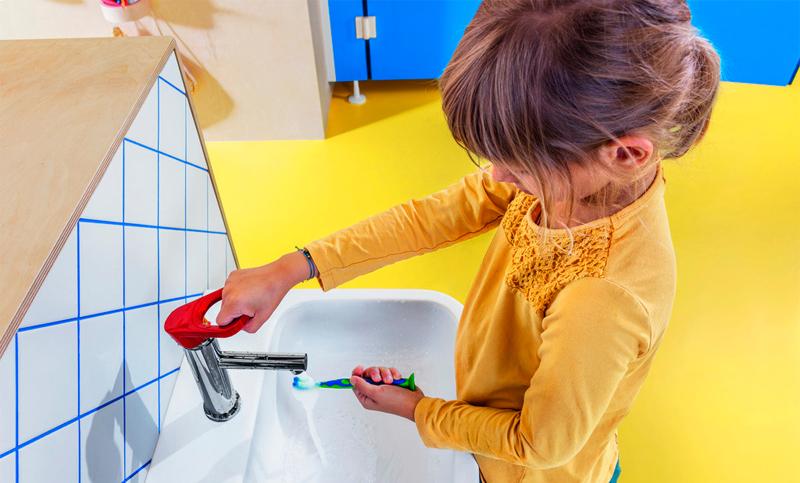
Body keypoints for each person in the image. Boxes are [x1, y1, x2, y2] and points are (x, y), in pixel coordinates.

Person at [216, 1, 720, 481]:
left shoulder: (604, 297)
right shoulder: (582, 177)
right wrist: (292, 268)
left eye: (518, 164)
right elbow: (431, 218)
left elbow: (539, 444)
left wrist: (419, 411)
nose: (497, 176)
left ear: (625, 154)